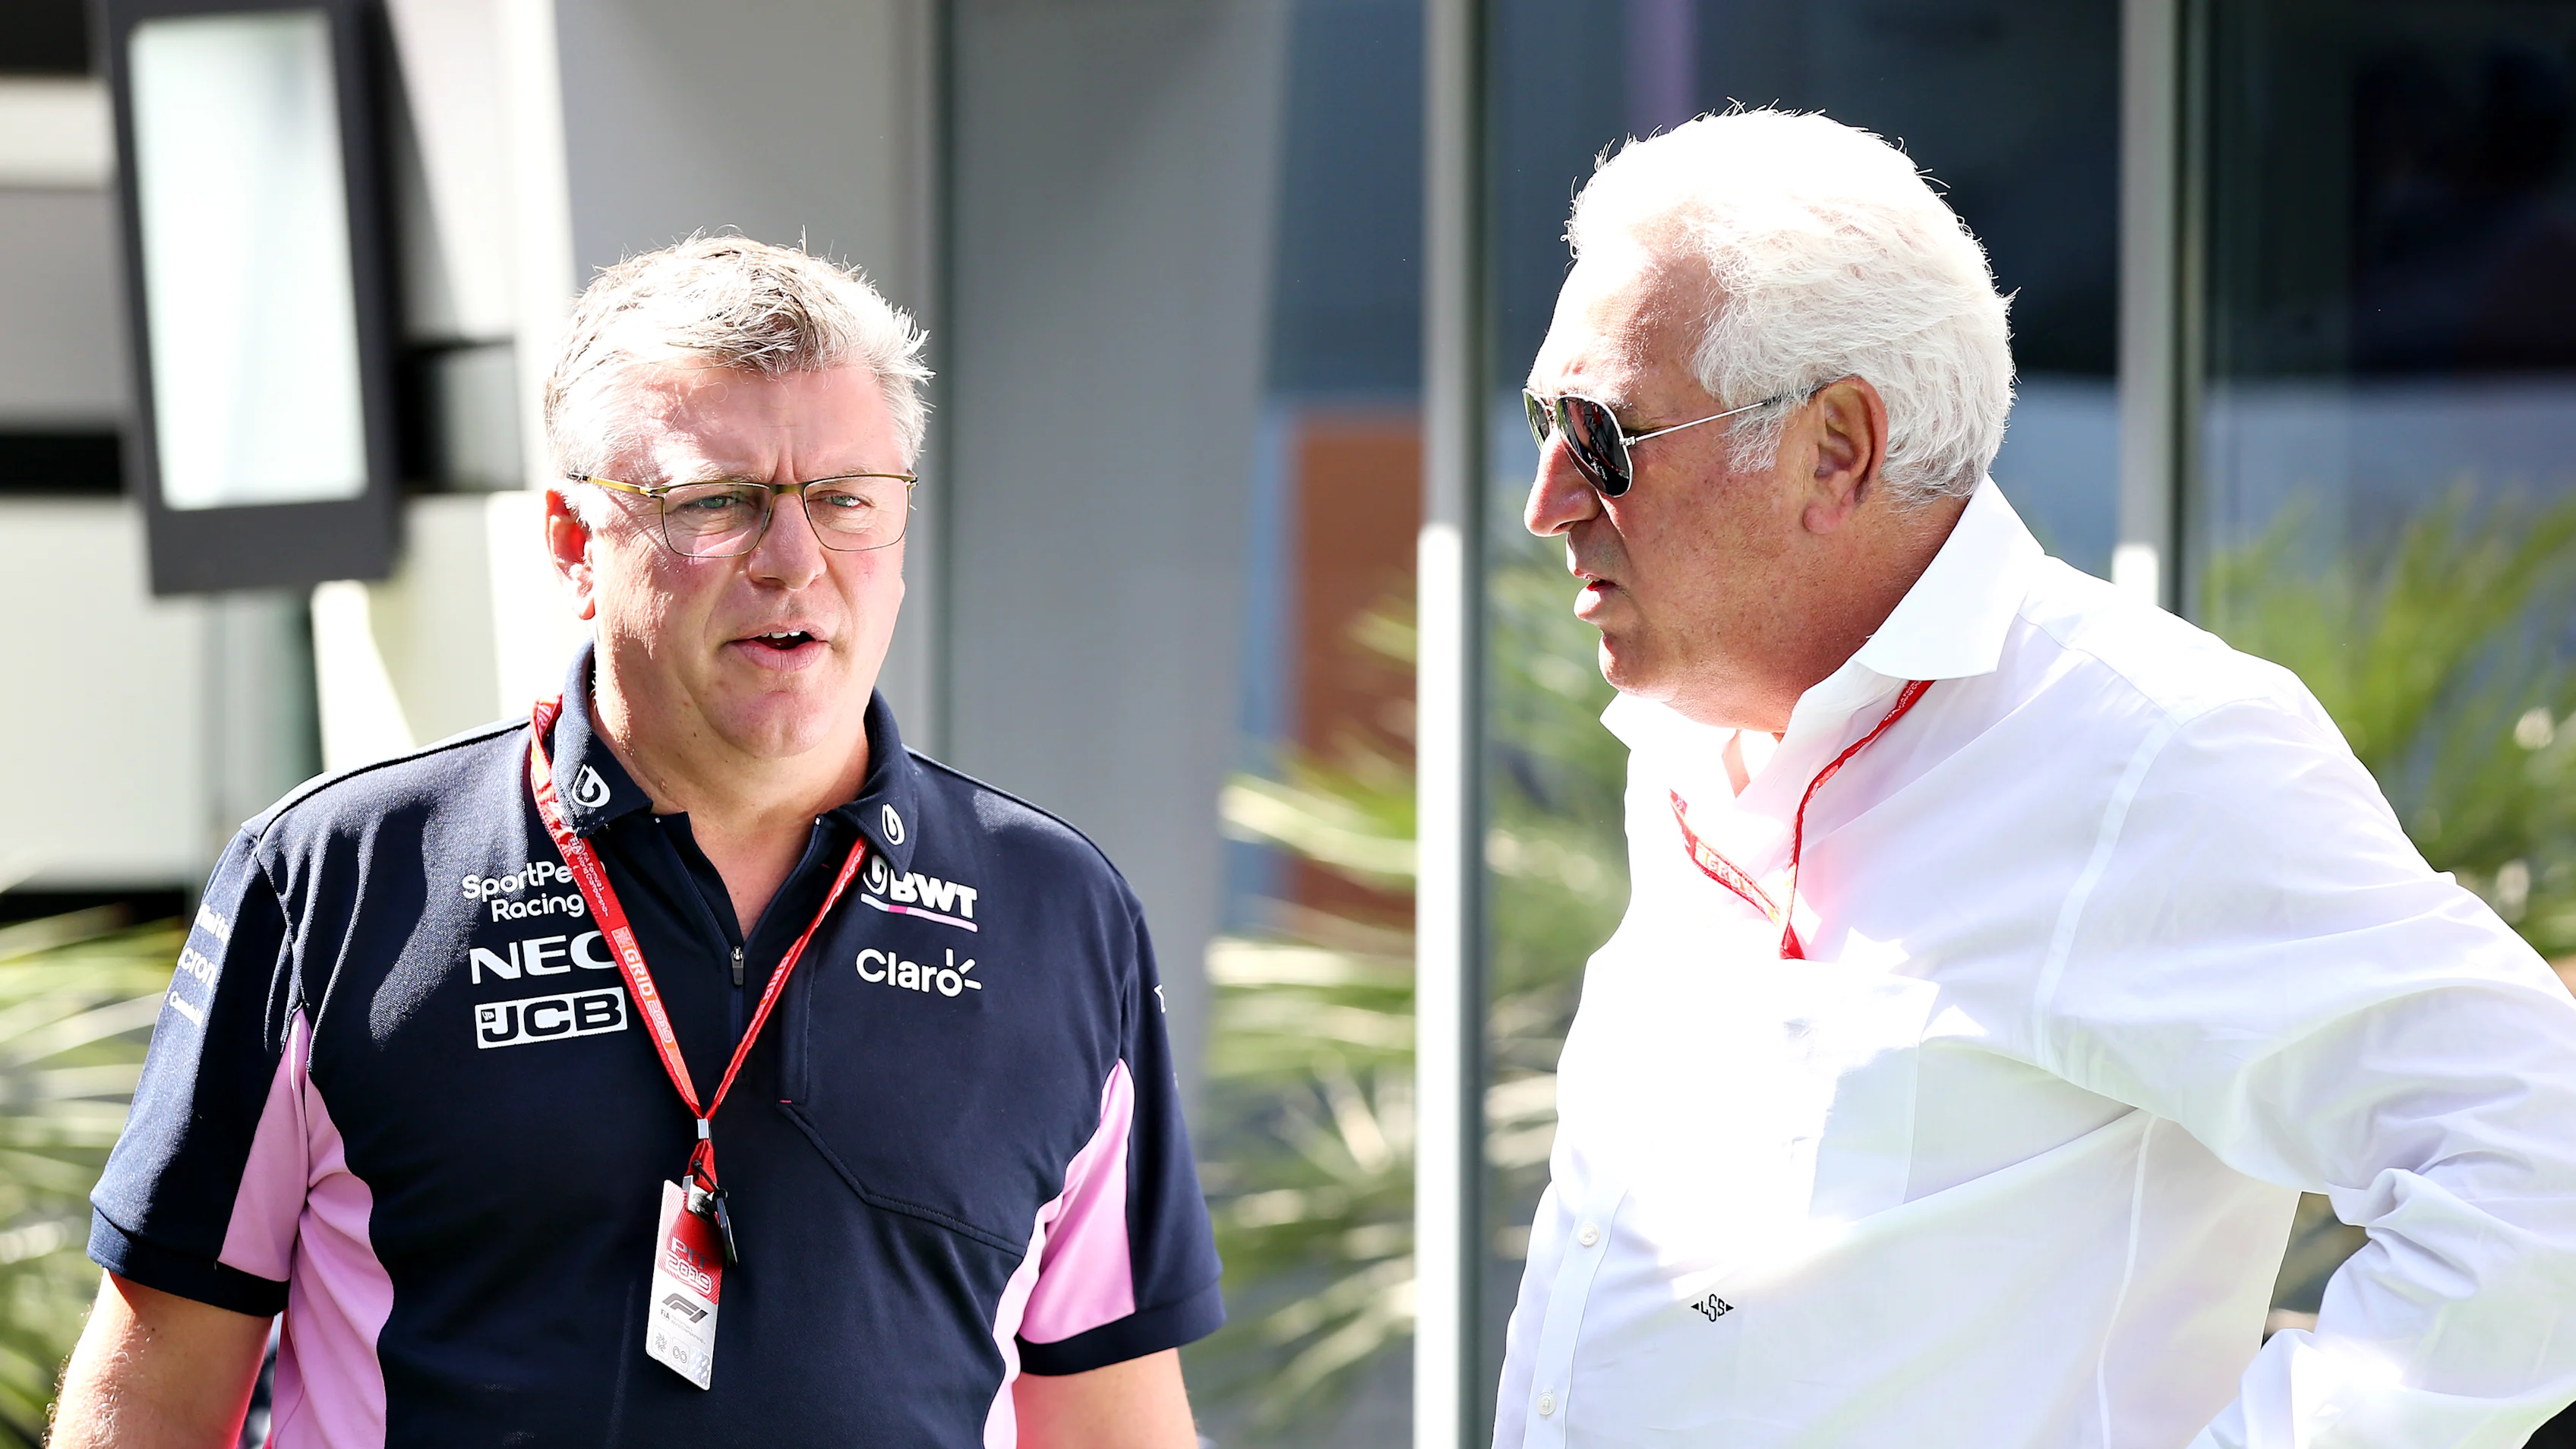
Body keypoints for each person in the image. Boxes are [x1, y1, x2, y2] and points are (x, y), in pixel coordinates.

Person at [1498, 109, 2576, 1447]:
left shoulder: (2147, 751)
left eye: (1602, 436)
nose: (1546, 499)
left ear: (1834, 449)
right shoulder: (1703, 731)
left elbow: (2546, 1168)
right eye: (1546, 418)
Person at [54, 237, 1221, 1447]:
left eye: (846, 500)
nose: (794, 560)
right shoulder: (339, 877)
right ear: (573, 541)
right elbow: (151, 1397)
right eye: (716, 502)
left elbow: (1110, 1416)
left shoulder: (1058, 911)